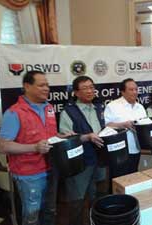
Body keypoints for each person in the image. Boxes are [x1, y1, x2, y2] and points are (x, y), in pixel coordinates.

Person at [0, 70, 69, 225]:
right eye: (41, 85)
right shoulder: (14, 113)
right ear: (27, 86)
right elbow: (3, 146)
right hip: (29, 175)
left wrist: (62, 137)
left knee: (50, 211)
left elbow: (48, 137)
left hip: (51, 168)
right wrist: (34, 147)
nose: (46, 88)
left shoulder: (49, 107)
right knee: (32, 215)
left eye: (47, 85)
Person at [59, 75, 105, 225]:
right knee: (76, 200)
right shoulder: (69, 111)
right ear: (76, 93)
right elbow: (66, 139)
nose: (90, 91)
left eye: (92, 87)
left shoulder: (98, 107)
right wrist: (88, 137)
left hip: (99, 160)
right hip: (80, 163)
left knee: (97, 196)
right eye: (85, 88)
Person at [104, 78, 147, 178]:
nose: (135, 92)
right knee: (117, 179)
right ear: (122, 92)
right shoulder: (112, 106)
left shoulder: (140, 107)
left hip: (135, 148)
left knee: (132, 177)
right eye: (131, 90)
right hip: (118, 150)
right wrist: (123, 125)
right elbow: (105, 126)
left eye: (136, 89)